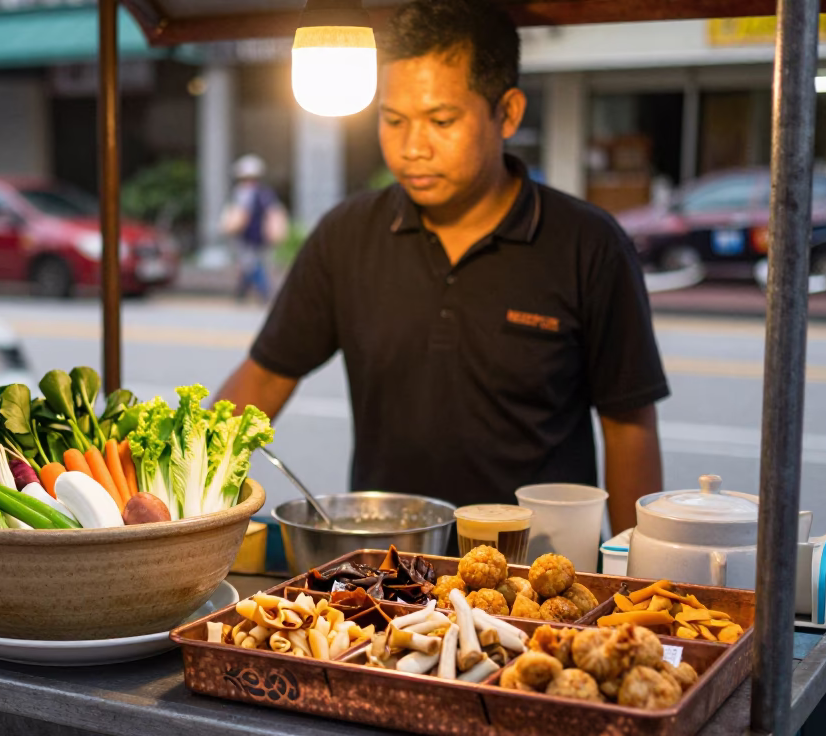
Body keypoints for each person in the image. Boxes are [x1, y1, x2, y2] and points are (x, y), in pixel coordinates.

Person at [214, 0, 667, 537]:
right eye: (393, 120)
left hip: (535, 576)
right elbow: (265, 377)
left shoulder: (588, 245)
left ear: (510, 112)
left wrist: (634, 570)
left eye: (442, 120)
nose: (411, 149)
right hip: (391, 567)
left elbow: (628, 427)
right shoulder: (348, 235)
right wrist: (183, 485)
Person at [220, 154, 287, 302]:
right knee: (249, 265)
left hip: (247, 237)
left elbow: (239, 217)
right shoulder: (266, 192)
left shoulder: (242, 193)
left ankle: (264, 292)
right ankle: (240, 294)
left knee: (251, 265)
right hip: (260, 237)